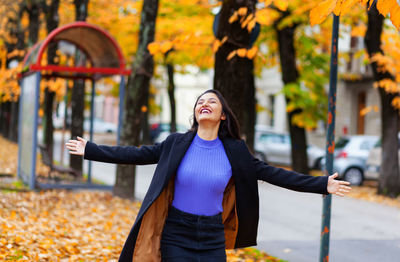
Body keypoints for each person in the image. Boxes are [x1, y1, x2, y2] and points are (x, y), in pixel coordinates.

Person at [66, 89, 351, 262]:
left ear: (223, 115)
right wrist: (91, 149)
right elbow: (137, 154)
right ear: (195, 112)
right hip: (177, 233)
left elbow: (273, 174)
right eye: (200, 101)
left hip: (213, 236)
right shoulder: (176, 143)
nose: (205, 103)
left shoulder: (236, 151)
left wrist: (322, 184)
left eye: (212, 102)